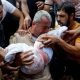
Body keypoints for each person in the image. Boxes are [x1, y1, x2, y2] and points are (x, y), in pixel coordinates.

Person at [38, 2, 80, 80]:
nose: (58, 19)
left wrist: (58, 41)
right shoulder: (61, 28)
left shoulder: (77, 28)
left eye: (62, 16)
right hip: (66, 67)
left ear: (71, 16)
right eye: (57, 16)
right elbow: (61, 53)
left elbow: (78, 52)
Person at [7, 10, 53, 80]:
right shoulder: (18, 38)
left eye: (48, 27)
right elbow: (7, 64)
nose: (47, 31)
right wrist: (17, 61)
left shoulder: (50, 38)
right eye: (44, 27)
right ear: (34, 24)